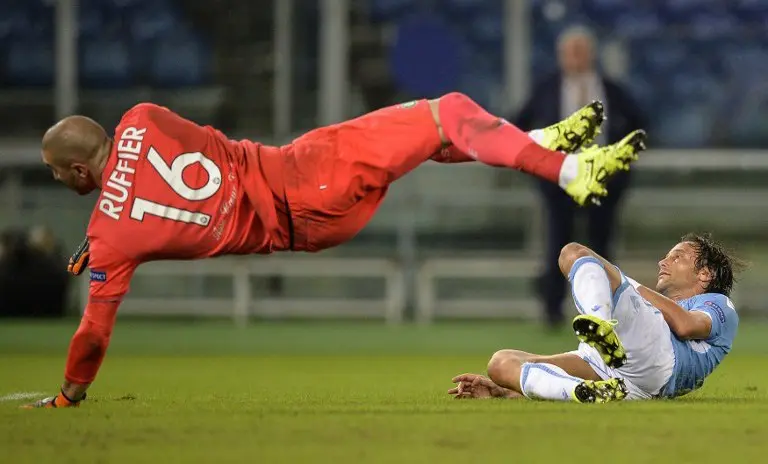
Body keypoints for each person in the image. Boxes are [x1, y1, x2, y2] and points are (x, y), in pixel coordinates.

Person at [26, 93, 646, 408]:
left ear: (80, 172)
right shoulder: (141, 116)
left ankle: (542, 150)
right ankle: (560, 165)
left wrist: (70, 392)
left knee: (432, 130)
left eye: (59, 174)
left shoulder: (110, 237)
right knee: (445, 113)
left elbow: (93, 333)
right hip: (300, 170)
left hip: (308, 219)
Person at [448, 233, 742, 403]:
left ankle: (600, 324)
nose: (662, 262)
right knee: (501, 364)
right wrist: (504, 392)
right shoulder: (649, 314)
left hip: (659, 359)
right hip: (630, 383)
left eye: (677, 257)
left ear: (705, 274)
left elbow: (687, 325)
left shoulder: (718, 304)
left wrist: (626, 280)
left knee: (573, 253)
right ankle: (578, 391)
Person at [513, 26, 647, 329]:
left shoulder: (610, 88)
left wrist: (621, 159)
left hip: (604, 180)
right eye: (571, 52)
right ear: (561, 56)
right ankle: (552, 311)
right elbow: (519, 123)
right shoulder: (546, 88)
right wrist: (537, 160)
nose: (576, 58)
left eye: (581, 51)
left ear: (592, 54)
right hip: (558, 179)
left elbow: (640, 122)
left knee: (602, 245)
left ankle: (608, 310)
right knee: (557, 243)